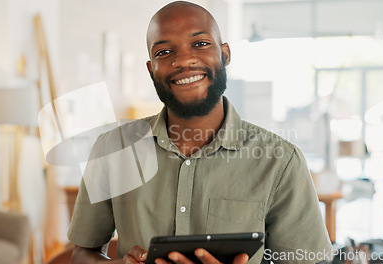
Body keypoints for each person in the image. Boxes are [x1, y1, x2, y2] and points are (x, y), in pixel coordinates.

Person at [67, 1, 332, 264]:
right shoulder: (113, 149)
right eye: (164, 52)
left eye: (201, 44)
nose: (183, 60)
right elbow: (82, 253)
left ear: (225, 54)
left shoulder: (280, 162)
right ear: (151, 70)